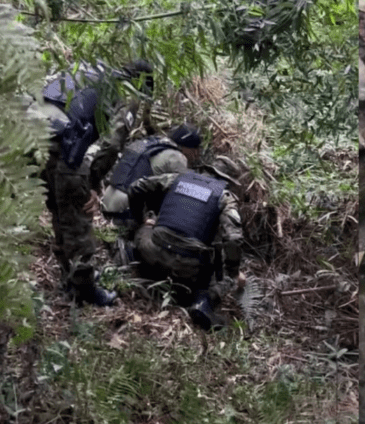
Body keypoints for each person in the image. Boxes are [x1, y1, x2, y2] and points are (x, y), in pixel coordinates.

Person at [36, 59, 154, 306]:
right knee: (78, 219)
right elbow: (112, 143)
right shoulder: (125, 91)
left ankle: (70, 278)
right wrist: (91, 183)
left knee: (61, 212)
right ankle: (84, 289)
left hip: (35, 140)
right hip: (66, 149)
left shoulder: (86, 69)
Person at [127, 167, 245, 330]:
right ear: (227, 181)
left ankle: (129, 259)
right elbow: (233, 238)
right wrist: (233, 271)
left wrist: (140, 220)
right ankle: (203, 301)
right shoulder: (224, 197)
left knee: (145, 228)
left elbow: (136, 187)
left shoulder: (177, 178)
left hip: (151, 251)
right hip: (188, 269)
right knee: (229, 276)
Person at [100, 123, 202, 225]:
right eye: (195, 150)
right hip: (127, 211)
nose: (196, 155)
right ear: (189, 148)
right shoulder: (177, 157)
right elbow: (187, 190)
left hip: (106, 203)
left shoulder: (147, 143)